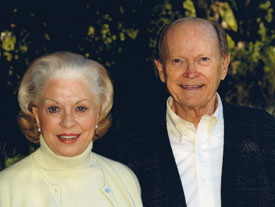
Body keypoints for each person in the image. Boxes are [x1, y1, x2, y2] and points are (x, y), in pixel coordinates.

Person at [110, 17, 275, 207]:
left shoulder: (265, 133)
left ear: (224, 65)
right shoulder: (126, 152)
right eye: (177, 60)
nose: (191, 73)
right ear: (161, 69)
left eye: (203, 59)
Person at [0, 51, 143, 207]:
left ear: (98, 113)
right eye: (54, 109)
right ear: (37, 116)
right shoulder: (6, 188)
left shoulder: (124, 179)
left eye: (80, 108)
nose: (68, 122)